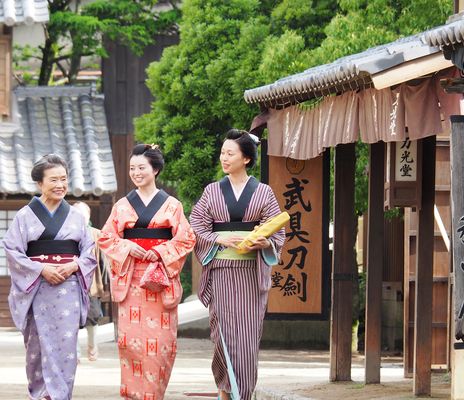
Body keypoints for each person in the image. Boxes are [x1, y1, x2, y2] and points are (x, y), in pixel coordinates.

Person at [190, 129, 286, 400]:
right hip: (221, 271)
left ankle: (242, 394)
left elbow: (277, 232)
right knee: (221, 336)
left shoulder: (264, 192)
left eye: (229, 153)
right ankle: (225, 390)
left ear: (246, 158)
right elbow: (196, 227)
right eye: (222, 153)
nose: (224, 158)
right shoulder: (212, 191)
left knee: (246, 339)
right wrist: (220, 238)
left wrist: (264, 244)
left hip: (250, 275)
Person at [98, 144, 196, 399]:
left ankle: (154, 394)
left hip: (159, 279)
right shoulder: (122, 205)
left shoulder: (172, 205)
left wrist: (161, 252)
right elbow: (106, 238)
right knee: (130, 343)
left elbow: (186, 239)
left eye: (142, 167)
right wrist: (128, 246)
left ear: (155, 169)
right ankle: (132, 395)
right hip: (131, 280)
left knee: (161, 346)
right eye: (132, 168)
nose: (136, 173)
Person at [2, 154, 96, 400]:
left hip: (68, 289)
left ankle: (60, 396)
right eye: (53, 180)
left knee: (66, 348)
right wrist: (41, 269)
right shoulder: (24, 216)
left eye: (64, 179)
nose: (60, 185)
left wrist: (74, 265)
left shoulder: (76, 216)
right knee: (36, 347)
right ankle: (40, 394)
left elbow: (89, 253)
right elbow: (12, 251)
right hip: (36, 289)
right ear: (39, 184)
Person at [73, 201, 107, 362]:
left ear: (89, 216)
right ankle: (75, 353)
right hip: (70, 283)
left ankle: (93, 348)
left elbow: (106, 261)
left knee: (92, 317)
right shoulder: (66, 233)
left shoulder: (97, 234)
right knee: (71, 319)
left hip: (91, 283)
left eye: (83, 214)